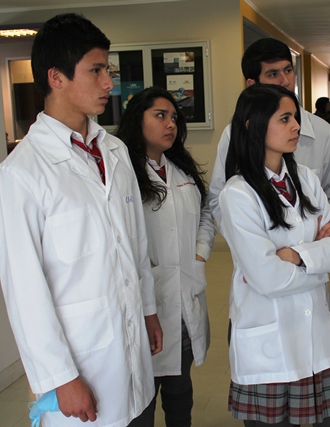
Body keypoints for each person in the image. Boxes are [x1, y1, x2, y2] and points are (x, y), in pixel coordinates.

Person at [0, 13, 162, 426]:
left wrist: (148, 310)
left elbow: (136, 247)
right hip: (82, 368)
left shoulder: (115, 152)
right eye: (96, 71)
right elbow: (24, 290)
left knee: (139, 412)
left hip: (133, 357)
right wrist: (61, 378)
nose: (109, 83)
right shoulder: (21, 174)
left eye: (108, 71)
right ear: (56, 77)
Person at [218, 84, 330, 427]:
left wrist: (296, 255)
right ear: (253, 125)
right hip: (270, 346)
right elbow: (267, 278)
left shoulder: (306, 179)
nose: (296, 126)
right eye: (285, 119)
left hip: (315, 339)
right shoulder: (238, 194)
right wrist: (320, 259)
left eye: (295, 117)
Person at [115, 87, 215, 427]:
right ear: (137, 120)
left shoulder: (181, 169)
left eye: (174, 117)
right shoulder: (121, 174)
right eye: (160, 116)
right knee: (142, 397)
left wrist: (199, 255)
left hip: (184, 294)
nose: (170, 124)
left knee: (180, 389)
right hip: (145, 301)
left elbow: (206, 214)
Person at [208, 37, 330, 222]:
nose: (285, 81)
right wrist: (249, 235)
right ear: (253, 85)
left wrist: (318, 237)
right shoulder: (234, 133)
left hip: (318, 238)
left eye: (288, 70)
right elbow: (218, 199)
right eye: (273, 74)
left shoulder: (322, 132)